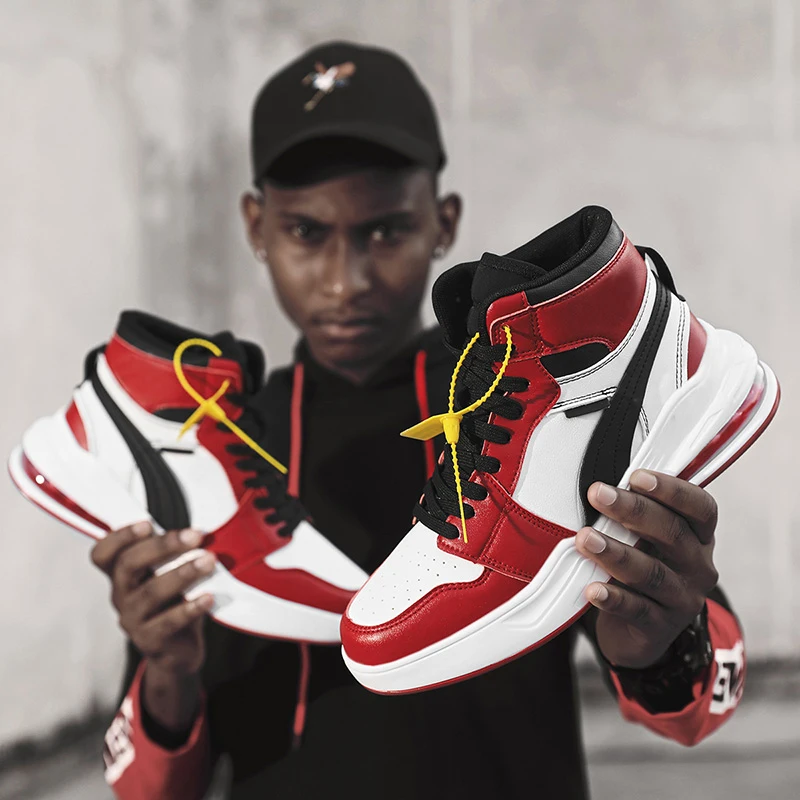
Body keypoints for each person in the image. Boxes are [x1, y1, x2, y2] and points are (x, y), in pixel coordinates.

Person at [94, 42, 745, 800]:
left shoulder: (543, 400)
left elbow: (703, 707)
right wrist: (166, 672)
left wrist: (664, 643)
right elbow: (143, 789)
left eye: (386, 232)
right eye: (307, 233)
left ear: (443, 223)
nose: (347, 281)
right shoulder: (209, 445)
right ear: (256, 226)